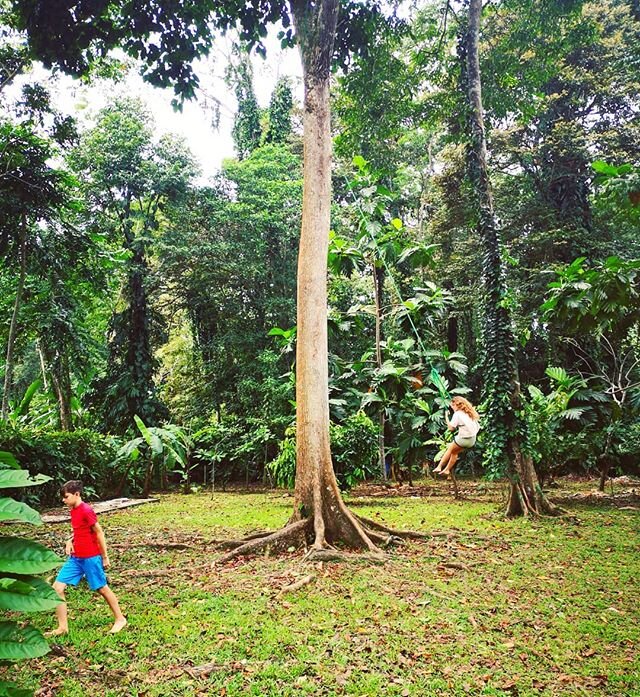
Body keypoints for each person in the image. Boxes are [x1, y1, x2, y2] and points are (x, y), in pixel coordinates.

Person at [48, 480, 127, 636]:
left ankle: (120, 619)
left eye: (66, 497)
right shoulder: (73, 510)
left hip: (90, 557)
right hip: (76, 558)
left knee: (102, 588)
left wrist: (105, 557)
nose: (64, 500)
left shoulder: (86, 510)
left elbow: (99, 532)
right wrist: (70, 540)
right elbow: (79, 530)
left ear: (77, 494)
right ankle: (63, 627)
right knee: (57, 588)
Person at [432, 396, 480, 477]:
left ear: (458, 405)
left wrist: (446, 417)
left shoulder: (457, 414)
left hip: (463, 440)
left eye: (453, 406)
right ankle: (447, 470)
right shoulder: (470, 412)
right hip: (472, 440)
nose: (452, 408)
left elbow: (451, 428)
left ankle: (439, 466)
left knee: (450, 449)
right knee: (454, 452)